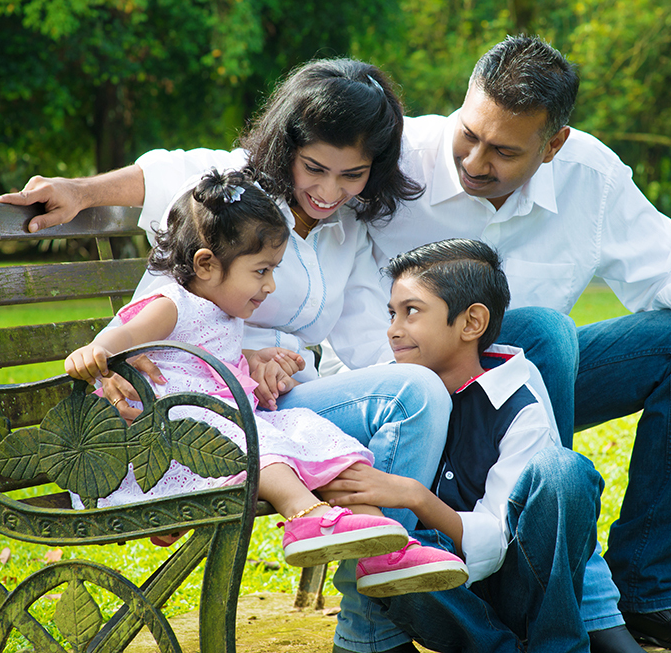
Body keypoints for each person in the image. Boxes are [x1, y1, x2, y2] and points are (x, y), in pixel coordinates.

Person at [0, 39, 671, 652]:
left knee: (607, 340)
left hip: (463, 387)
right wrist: (80, 191)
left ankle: (622, 587)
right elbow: (181, 176)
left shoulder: (372, 219)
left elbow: (668, 264)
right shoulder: (306, 181)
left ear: (553, 144)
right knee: (496, 356)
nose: (475, 161)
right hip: (269, 394)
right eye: (470, 133)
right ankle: (499, 593)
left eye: (504, 151)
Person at [0, 59, 455, 651]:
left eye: (352, 175)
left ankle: (384, 553)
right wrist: (80, 192)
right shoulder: (234, 201)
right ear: (287, 146)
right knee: (411, 394)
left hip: (267, 401)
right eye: (315, 168)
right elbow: (161, 178)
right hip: (196, 408)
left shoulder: (346, 228)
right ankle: (369, 605)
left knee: (410, 394)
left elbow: (367, 339)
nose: (328, 191)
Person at [63, 168, 469, 594]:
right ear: (205, 264)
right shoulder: (172, 304)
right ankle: (305, 517)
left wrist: (250, 358)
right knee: (261, 439)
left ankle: (385, 547)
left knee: (313, 433)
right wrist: (97, 352)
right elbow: (124, 336)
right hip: (171, 439)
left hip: (221, 426)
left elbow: (201, 357)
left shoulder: (221, 313)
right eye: (261, 271)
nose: (270, 285)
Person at [324, 238, 605, 652]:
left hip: (519, 585)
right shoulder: (388, 398)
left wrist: (414, 496)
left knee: (564, 470)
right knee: (394, 553)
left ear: (472, 322)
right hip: (441, 595)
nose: (393, 329)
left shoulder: (518, 404)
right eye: (392, 313)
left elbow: (494, 540)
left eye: (411, 311)